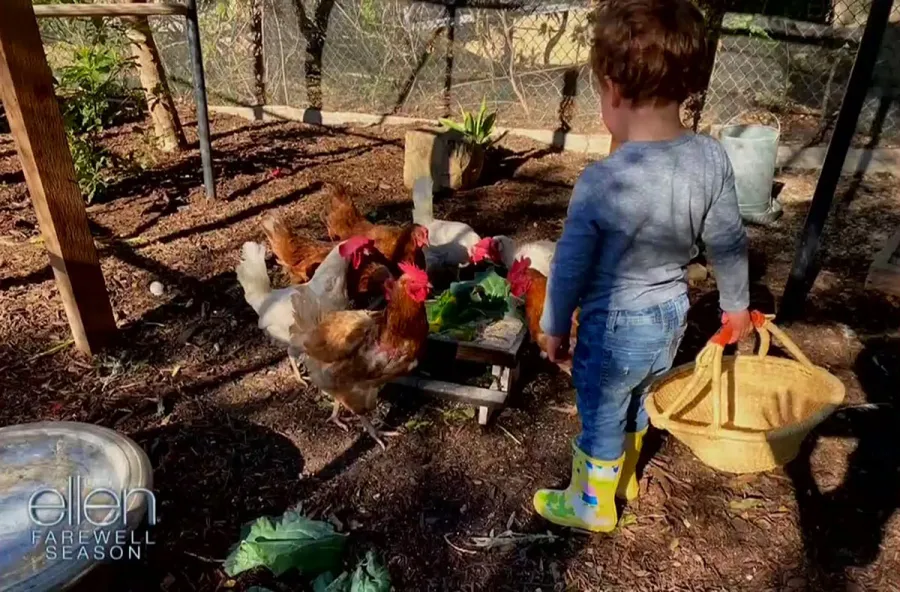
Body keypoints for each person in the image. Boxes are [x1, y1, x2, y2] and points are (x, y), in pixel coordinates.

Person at [534, 0, 752, 533]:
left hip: (614, 325)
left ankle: (591, 504)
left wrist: (554, 326)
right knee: (640, 398)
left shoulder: (603, 181)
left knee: (602, 412)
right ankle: (623, 476)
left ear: (612, 90)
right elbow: (727, 239)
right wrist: (736, 306)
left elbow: (569, 267)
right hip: (671, 314)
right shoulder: (711, 158)